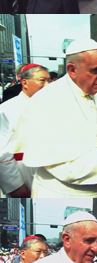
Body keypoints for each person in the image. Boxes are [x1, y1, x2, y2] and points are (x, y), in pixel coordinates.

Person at [11, 39, 97, 197]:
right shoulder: (47, 101)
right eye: (96, 70)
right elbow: (67, 164)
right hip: (66, 193)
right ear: (72, 70)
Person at [0, 64, 49, 197]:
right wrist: (15, 186)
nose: (47, 85)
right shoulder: (7, 109)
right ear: (25, 82)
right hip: (22, 173)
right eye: (42, 80)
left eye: (49, 81)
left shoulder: (52, 108)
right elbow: (2, 151)